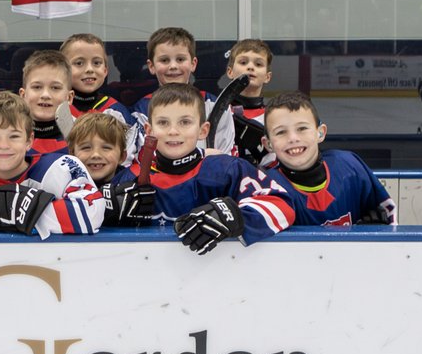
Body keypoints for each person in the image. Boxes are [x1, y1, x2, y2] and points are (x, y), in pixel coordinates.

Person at [109, 84, 294, 252]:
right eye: (163, 122)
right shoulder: (129, 179)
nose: (173, 131)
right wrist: (111, 214)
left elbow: (283, 205)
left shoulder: (227, 170)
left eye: (185, 122)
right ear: (149, 130)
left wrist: (235, 216)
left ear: (203, 130)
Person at [0, 92, 104, 238]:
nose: (4, 145)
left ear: (29, 140)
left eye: (14, 136)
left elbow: (92, 212)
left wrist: (20, 213)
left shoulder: (58, 168)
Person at [262, 92, 396, 226]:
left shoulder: (350, 167)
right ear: (268, 144)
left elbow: (388, 216)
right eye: (281, 132)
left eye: (302, 128)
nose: (293, 138)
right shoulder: (267, 187)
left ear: (320, 132)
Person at [132, 27, 233, 153]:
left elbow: (226, 157)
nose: (173, 66)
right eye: (164, 60)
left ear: (193, 63)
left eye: (180, 59)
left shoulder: (216, 106)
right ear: (151, 66)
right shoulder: (141, 110)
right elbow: (143, 157)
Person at [59, 35, 135, 125]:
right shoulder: (52, 110)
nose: (89, 69)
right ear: (62, 70)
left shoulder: (116, 112)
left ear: (105, 70)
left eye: (96, 63)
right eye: (79, 63)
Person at [222, 39, 274, 166]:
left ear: (267, 77)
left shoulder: (273, 118)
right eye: (243, 62)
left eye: (258, 64)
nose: (250, 67)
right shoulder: (217, 111)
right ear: (230, 72)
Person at [19, 49, 74, 153]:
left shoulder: (81, 142)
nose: (45, 95)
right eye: (37, 87)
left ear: (69, 97)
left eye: (55, 88)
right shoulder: (8, 142)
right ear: (23, 95)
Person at [68, 112, 129, 186]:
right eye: (86, 147)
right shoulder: (61, 186)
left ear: (122, 156)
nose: (95, 155)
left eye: (106, 148)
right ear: (72, 154)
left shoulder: (135, 185)